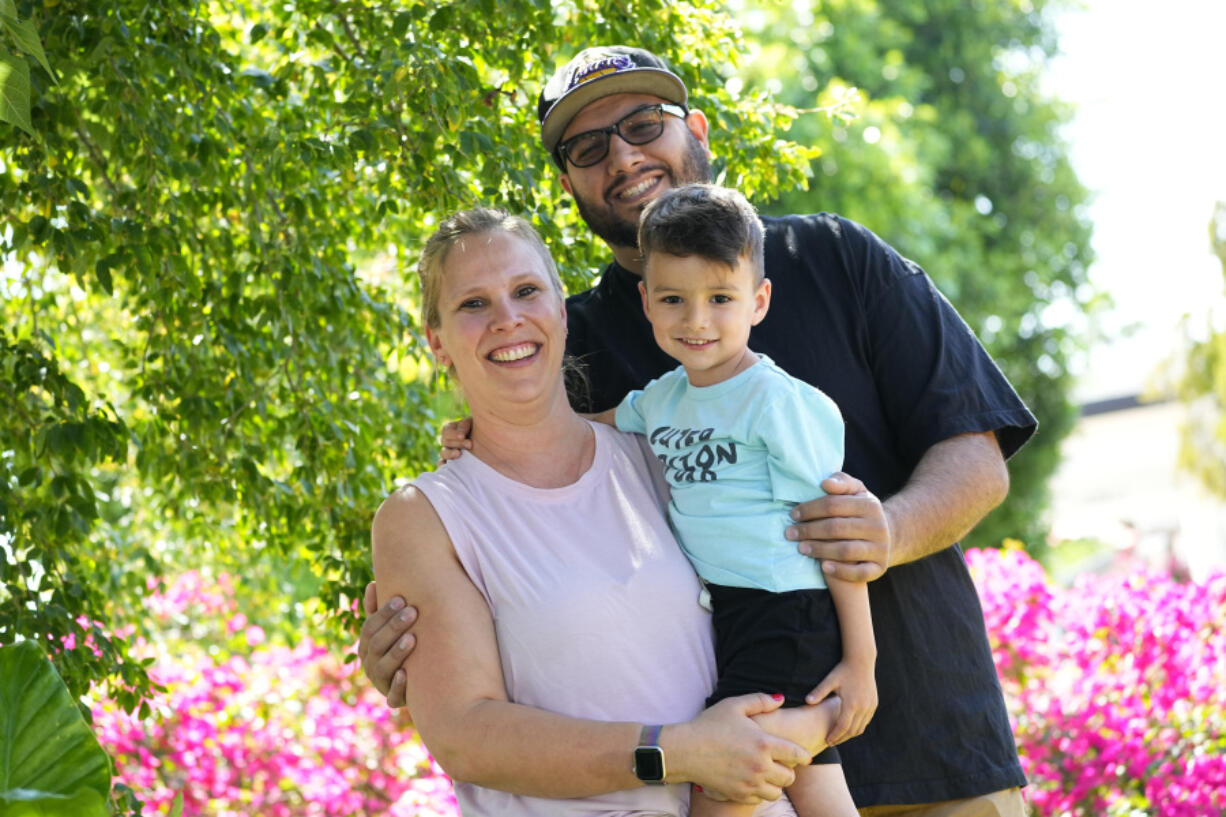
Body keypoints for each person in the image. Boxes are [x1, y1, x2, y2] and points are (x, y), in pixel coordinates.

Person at [361, 46, 1037, 817]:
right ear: (568, 180)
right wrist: (424, 651)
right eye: (588, 147)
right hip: (747, 765)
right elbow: (520, 533)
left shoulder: (833, 257)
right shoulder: (562, 339)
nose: (622, 155)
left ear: (699, 129)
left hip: (935, 748)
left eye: (644, 123)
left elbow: (977, 457)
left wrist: (885, 529)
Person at [372, 206, 840, 816]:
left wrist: (834, 709)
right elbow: (465, 735)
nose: (508, 319)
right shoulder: (425, 516)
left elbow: (777, 615)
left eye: (526, 291)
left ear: (562, 314)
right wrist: (676, 753)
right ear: (437, 341)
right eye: (473, 305)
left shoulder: (664, 458)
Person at [585, 183, 871, 817]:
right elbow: (589, 426)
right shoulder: (661, 399)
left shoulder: (778, 403)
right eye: (674, 300)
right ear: (646, 303)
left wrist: (863, 659)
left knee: (724, 787)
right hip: (730, 615)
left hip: (784, 607)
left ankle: (822, 717)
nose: (696, 320)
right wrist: (486, 434)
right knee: (814, 786)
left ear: (758, 300)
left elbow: (835, 532)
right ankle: (815, 726)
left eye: (720, 298)